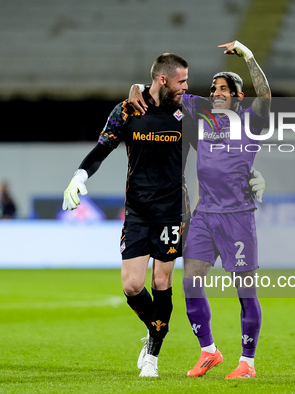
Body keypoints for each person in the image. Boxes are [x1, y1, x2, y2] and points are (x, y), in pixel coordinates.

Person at [129, 40, 269, 379]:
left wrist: (248, 55)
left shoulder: (251, 120)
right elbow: (163, 91)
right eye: (213, 88)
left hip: (238, 217)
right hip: (206, 216)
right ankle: (209, 351)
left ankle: (247, 362)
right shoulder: (202, 115)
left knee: (245, 291)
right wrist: (137, 88)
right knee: (191, 283)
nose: (216, 92)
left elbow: (265, 96)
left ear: (238, 96)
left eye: (224, 89)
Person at [62, 53, 192, 377]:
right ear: (163, 80)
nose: (186, 87)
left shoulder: (188, 110)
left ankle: (153, 356)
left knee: (161, 281)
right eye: (181, 81)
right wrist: (80, 176)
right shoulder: (127, 110)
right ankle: (156, 328)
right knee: (133, 285)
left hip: (172, 209)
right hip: (137, 211)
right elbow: (103, 148)